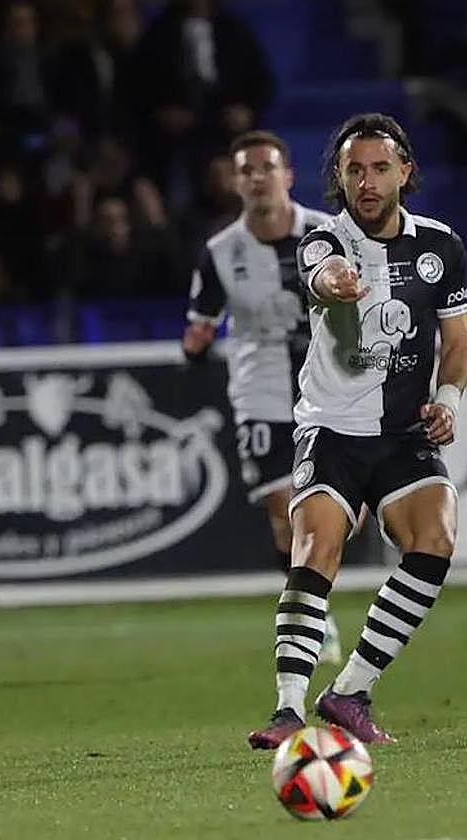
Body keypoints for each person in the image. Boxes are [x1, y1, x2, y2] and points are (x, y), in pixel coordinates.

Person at [247, 112, 467, 749]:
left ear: (405, 172)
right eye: (354, 170)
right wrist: (336, 283)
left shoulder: (441, 248)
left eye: (379, 168)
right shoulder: (323, 241)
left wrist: (448, 398)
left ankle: (350, 691)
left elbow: (458, 343)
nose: (367, 182)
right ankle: (287, 710)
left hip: (403, 433)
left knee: (436, 536)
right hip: (332, 429)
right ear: (339, 180)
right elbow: (321, 275)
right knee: (315, 547)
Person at [181, 130, 342, 664]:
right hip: (262, 390)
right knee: (284, 509)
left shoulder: (328, 234)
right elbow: (200, 325)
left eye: (266, 167)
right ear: (235, 182)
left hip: (330, 384)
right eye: (246, 170)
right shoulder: (220, 253)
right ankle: (313, 615)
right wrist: (195, 344)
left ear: (287, 176)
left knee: (333, 511)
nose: (257, 178)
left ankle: (311, 596)